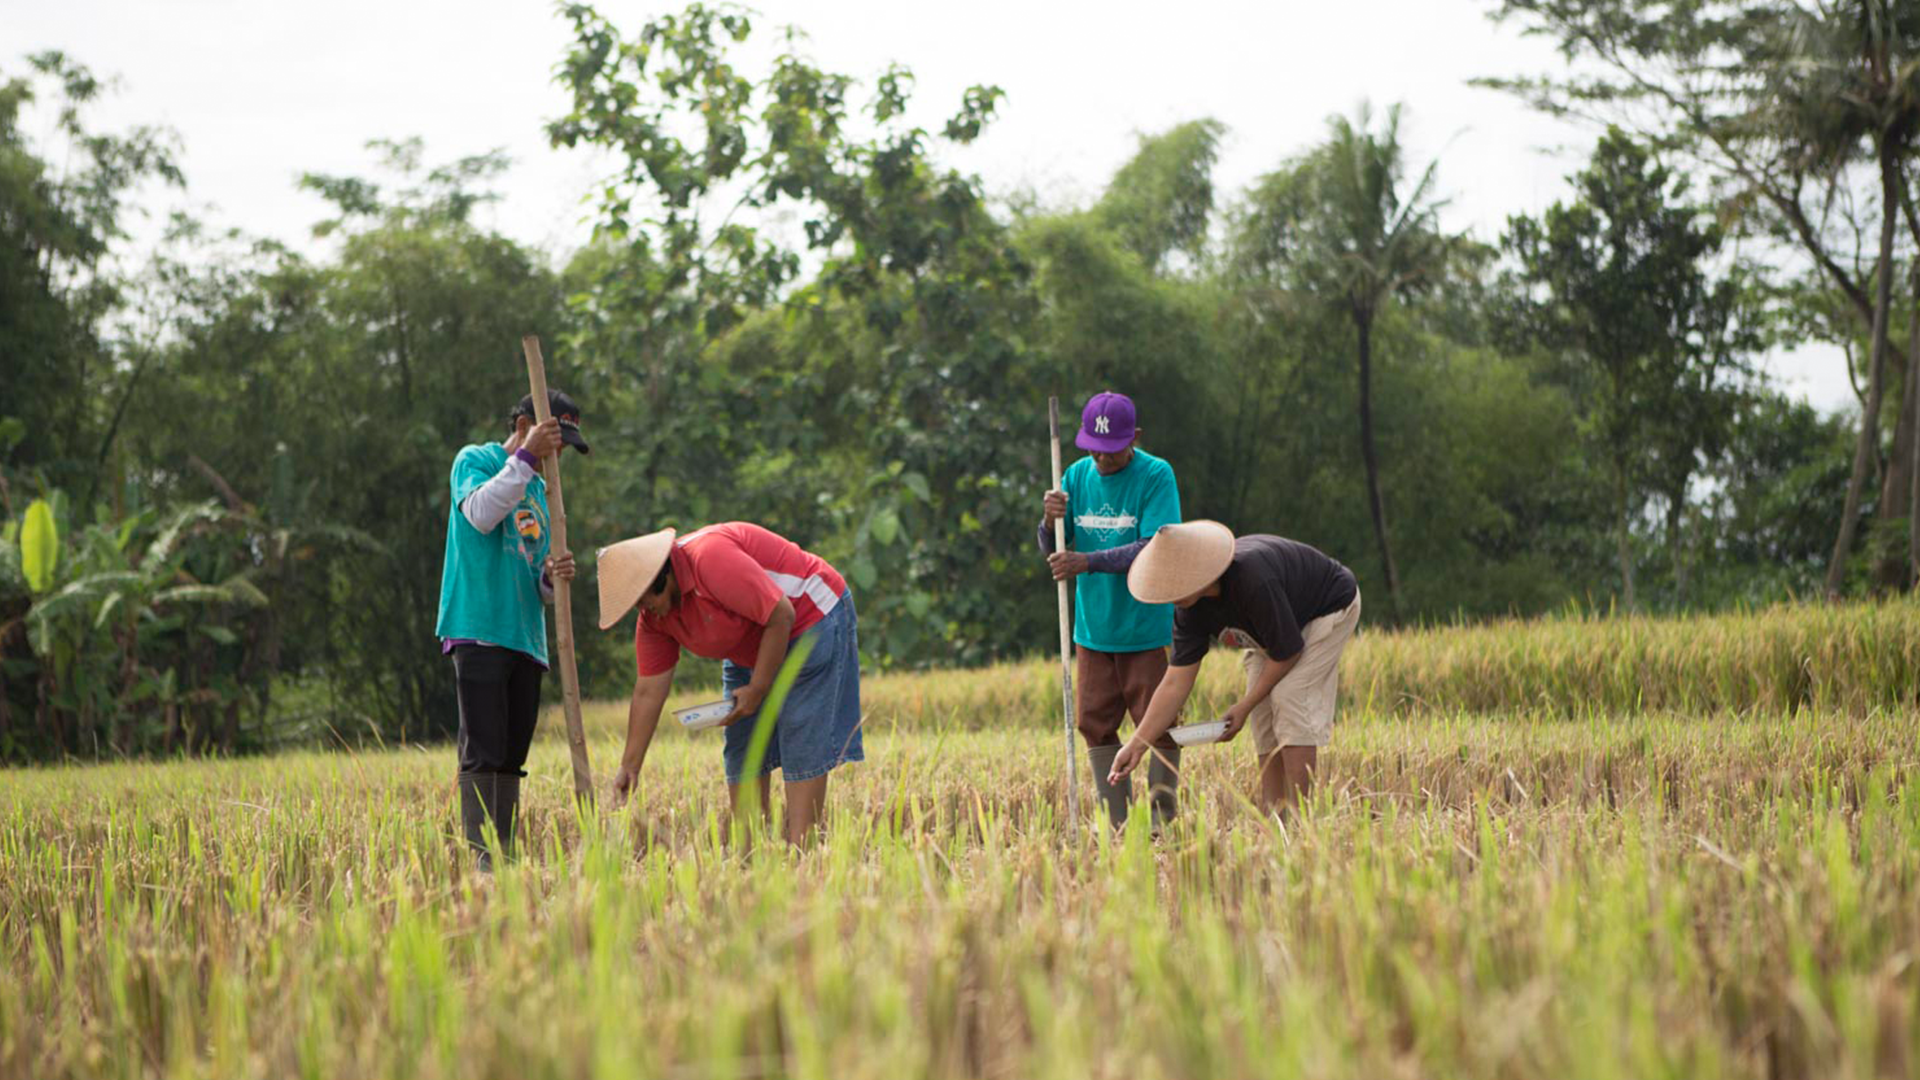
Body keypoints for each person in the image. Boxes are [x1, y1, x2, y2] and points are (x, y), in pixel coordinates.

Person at [598, 522, 862, 846]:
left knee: (800, 734)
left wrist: (759, 688)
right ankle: (751, 857)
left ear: (663, 577)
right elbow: (648, 691)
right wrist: (630, 766)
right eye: (636, 606)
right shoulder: (654, 619)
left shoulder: (710, 559)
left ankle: (803, 852)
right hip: (749, 643)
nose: (643, 610)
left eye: (644, 600)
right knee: (742, 745)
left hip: (810, 616)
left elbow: (781, 615)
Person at [434, 390, 590, 870]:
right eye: (553, 444)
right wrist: (524, 458)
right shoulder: (475, 461)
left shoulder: (542, 494)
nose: (555, 458)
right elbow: (481, 515)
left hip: (525, 637)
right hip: (480, 627)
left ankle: (503, 853)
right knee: (483, 747)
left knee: (511, 752)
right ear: (524, 427)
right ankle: (483, 859)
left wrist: (552, 578)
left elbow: (533, 574)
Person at [1109, 521, 1361, 817]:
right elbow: (1175, 682)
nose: (1174, 592)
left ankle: (1301, 819)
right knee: (1262, 711)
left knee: (1290, 696)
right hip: (1276, 630)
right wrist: (1136, 745)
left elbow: (1289, 652)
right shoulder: (1189, 610)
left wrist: (1243, 706)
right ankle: (1273, 818)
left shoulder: (1252, 579)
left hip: (1327, 608)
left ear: (1200, 570)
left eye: (1179, 581)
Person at [1038, 390, 1183, 829]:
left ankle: (1159, 824)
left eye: (1112, 450)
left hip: (1144, 626)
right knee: (1094, 723)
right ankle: (1118, 825)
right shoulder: (1075, 475)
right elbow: (1053, 549)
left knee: (1158, 724)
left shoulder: (1156, 475)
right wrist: (1048, 522)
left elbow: (1154, 547)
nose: (1101, 459)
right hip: (1093, 628)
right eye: (1094, 450)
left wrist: (1089, 562)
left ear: (1134, 437)